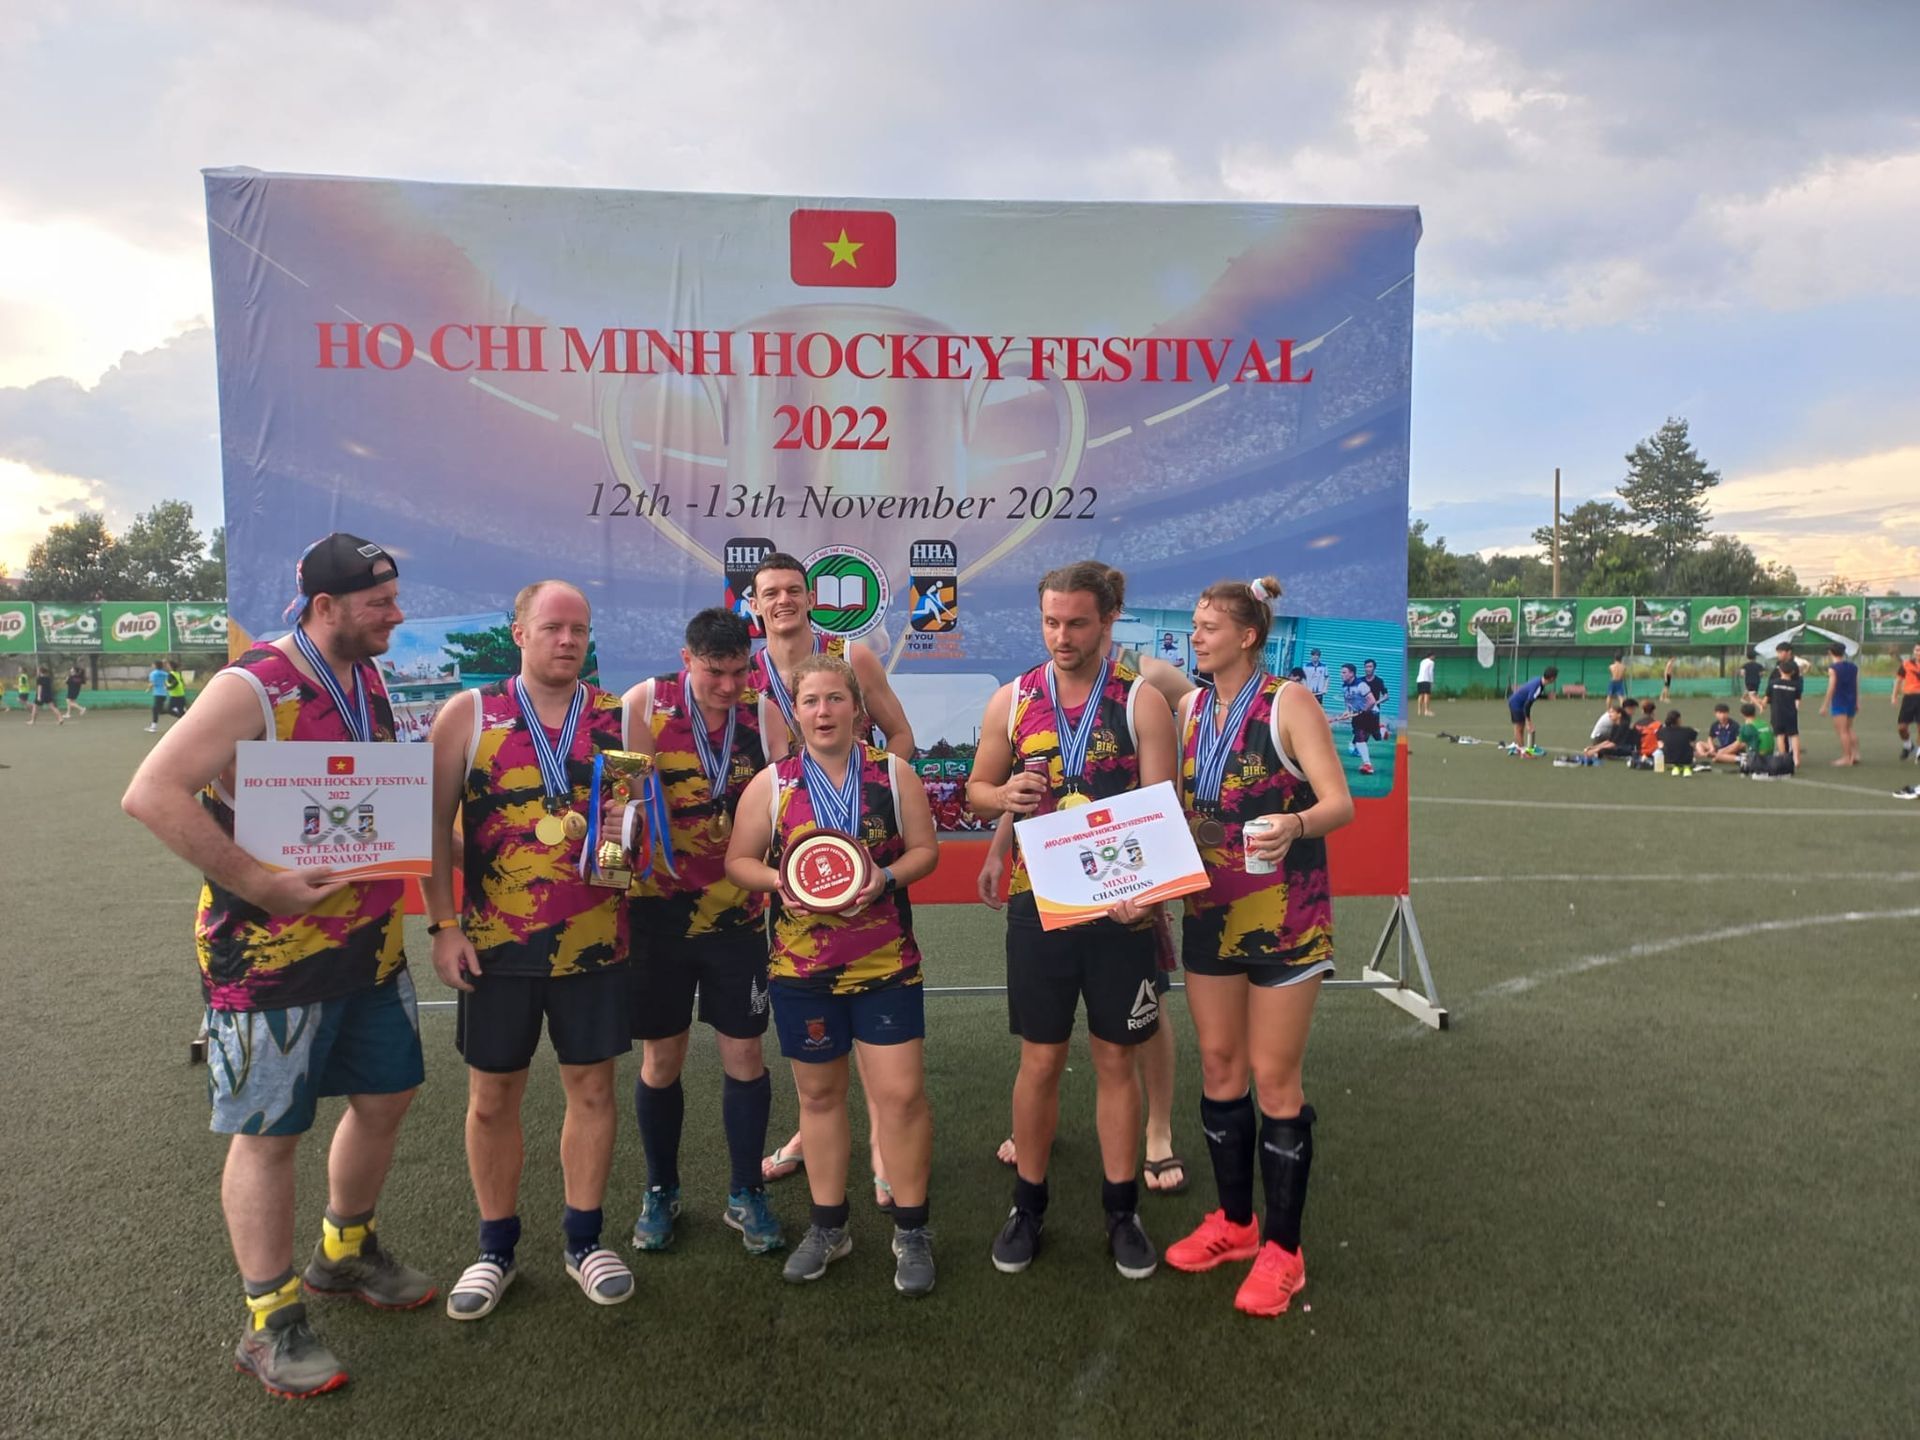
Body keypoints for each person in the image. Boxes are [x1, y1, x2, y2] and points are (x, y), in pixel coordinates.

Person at [120, 533, 432, 1399]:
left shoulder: (366, 673)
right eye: (380, 605)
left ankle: (344, 1251)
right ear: (325, 608)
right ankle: (271, 1321)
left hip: (369, 946)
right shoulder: (249, 684)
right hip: (267, 960)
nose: (396, 617)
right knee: (269, 1134)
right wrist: (260, 882)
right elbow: (151, 792)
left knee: (386, 1096)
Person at [426, 580, 636, 1321]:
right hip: (494, 946)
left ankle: (585, 1240)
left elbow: (636, 828)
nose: (568, 641)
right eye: (552, 627)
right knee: (492, 1099)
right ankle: (495, 1250)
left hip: (594, 943)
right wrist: (442, 925)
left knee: (593, 1091)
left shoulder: (616, 717)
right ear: (519, 631)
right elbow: (431, 827)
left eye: (579, 629)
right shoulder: (469, 713)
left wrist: (622, 834)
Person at [966, 561, 1177, 1281]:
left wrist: (1148, 899)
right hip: (1040, 904)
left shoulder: (1142, 701)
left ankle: (1122, 1213)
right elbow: (976, 788)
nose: (1062, 636)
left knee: (1116, 1059)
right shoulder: (1014, 698)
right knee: (1041, 1058)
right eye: (1051, 622)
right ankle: (1029, 1205)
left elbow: (1161, 810)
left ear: (1110, 619)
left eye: (1077, 622)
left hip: (1121, 907)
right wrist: (1004, 796)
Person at [1162, 578, 1354, 1316]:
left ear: (1247, 636)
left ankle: (1284, 1249)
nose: (1197, 634)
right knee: (1219, 1066)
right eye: (1194, 622)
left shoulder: (1289, 702)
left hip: (1286, 919)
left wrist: (1295, 825)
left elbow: (1336, 800)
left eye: (1210, 625)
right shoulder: (1188, 708)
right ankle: (1236, 1225)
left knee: (1275, 1081)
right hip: (1209, 913)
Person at [725, 654, 940, 1294]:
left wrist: (888, 877)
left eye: (835, 700)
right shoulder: (773, 784)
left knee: (900, 1097)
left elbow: (925, 851)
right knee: (818, 1098)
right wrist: (776, 885)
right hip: (801, 968)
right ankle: (828, 1226)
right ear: (796, 711)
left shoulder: (894, 774)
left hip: (885, 964)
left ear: (856, 707)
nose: (824, 712)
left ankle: (911, 1230)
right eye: (811, 701)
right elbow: (739, 860)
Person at [747, 551, 913, 1197]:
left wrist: (865, 796)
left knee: (874, 992)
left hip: (859, 857)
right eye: (771, 593)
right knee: (804, 993)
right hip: (786, 861)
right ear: (755, 604)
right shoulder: (746, 671)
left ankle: (879, 1137)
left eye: (794, 590)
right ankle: (806, 1127)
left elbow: (901, 737)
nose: (784, 601)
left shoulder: (852, 655)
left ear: (811, 598)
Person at [621, 609, 783, 1257]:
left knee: (744, 1055)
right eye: (716, 672)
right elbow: (623, 803)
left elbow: (789, 802)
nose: (729, 685)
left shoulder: (767, 716)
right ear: (687, 659)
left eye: (740, 670)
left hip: (738, 919)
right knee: (661, 1060)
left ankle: (747, 1192)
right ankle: (661, 1189)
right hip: (657, 915)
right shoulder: (644, 705)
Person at [1818, 643, 1860, 767]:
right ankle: (1855, 754)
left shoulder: (1833, 668)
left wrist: (1825, 705)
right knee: (1849, 728)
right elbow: (1856, 685)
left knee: (1842, 731)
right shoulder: (1853, 667)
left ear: (1830, 652)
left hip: (1839, 701)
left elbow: (1831, 687)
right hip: (1851, 700)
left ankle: (1847, 757)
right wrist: (1857, 701)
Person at [1336, 664, 1381, 775]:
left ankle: (1381, 729)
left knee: (1376, 736)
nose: (1341, 674)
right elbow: (1348, 703)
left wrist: (1363, 711)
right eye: (1341, 672)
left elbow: (1372, 701)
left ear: (1351, 673)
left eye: (1344, 672)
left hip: (1371, 713)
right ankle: (1367, 765)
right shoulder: (1344, 687)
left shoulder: (1361, 685)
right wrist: (1347, 713)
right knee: (1360, 737)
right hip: (1358, 715)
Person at [1767, 642, 1804, 769]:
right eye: (1777, 652)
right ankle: (1793, 757)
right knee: (1792, 733)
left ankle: (1786, 757)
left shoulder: (1792, 667)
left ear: (1788, 652)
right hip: (1783, 703)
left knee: (1782, 734)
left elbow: (1797, 686)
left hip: (1782, 703)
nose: (1778, 654)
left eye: (1780, 652)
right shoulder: (1781, 665)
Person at [1507, 667, 1558, 750]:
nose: (1556, 679)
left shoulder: (1540, 682)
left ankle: (1519, 747)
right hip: (1516, 704)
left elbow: (1534, 695)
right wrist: (1528, 721)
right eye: (1555, 677)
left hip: (1519, 703)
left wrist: (1546, 697)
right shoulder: (1538, 685)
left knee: (1520, 727)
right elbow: (1527, 704)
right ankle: (1522, 751)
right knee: (1519, 728)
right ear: (1552, 678)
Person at [1735, 702, 1781, 778]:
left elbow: (1738, 745)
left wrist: (1721, 752)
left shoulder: (1747, 727)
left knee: (1731, 754)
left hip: (1757, 757)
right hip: (1770, 755)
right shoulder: (1765, 723)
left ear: (1742, 714)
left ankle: (1741, 760)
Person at [1895, 643, 1920, 763]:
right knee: (1901, 727)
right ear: (1914, 651)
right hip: (1909, 698)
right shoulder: (1906, 664)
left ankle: (1919, 752)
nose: (1918, 652)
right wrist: (1894, 696)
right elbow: (1899, 680)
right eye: (1917, 650)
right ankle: (1908, 746)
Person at [1656, 709, 1698, 776]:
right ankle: (1685, 767)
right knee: (1691, 743)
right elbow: (1694, 738)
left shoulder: (1661, 731)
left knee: (1660, 746)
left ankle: (1675, 767)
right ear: (1678, 720)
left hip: (1668, 759)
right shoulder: (1688, 730)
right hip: (1686, 759)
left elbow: (1660, 744)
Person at [146, 660, 170, 732]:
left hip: (157, 694)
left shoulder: (153, 674)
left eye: (153, 664)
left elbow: (152, 683)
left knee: (155, 710)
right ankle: (172, 710)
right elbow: (167, 683)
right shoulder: (165, 674)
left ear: (155, 666)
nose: (152, 665)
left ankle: (153, 728)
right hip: (164, 694)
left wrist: (148, 689)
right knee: (160, 710)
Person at [1415, 653, 1436, 717]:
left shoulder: (1422, 661)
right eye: (1434, 656)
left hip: (1419, 680)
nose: (1434, 657)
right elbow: (1430, 672)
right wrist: (1432, 682)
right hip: (1426, 680)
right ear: (1431, 656)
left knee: (1420, 695)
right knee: (1427, 695)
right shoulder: (1431, 662)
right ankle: (1426, 711)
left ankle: (1419, 711)